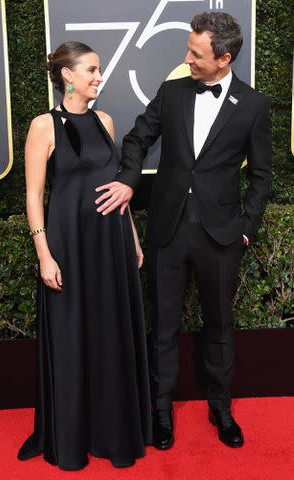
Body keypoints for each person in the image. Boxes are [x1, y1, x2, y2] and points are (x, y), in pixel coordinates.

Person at [95, 12, 272, 450]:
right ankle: (160, 411)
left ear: (224, 58)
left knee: (219, 326)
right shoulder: (172, 92)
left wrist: (246, 227)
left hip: (221, 236)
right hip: (167, 230)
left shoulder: (253, 105)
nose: (187, 58)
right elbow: (137, 138)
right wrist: (129, 179)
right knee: (164, 327)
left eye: (196, 53)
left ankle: (221, 408)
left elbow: (263, 176)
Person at [17, 41, 152, 470]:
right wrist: (44, 254)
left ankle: (110, 431)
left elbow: (116, 189)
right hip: (69, 245)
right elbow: (35, 196)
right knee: (73, 335)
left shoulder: (106, 121)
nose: (98, 77)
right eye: (91, 70)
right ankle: (71, 434)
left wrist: (130, 236)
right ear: (67, 75)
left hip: (110, 243)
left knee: (109, 332)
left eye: (99, 70)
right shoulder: (42, 126)